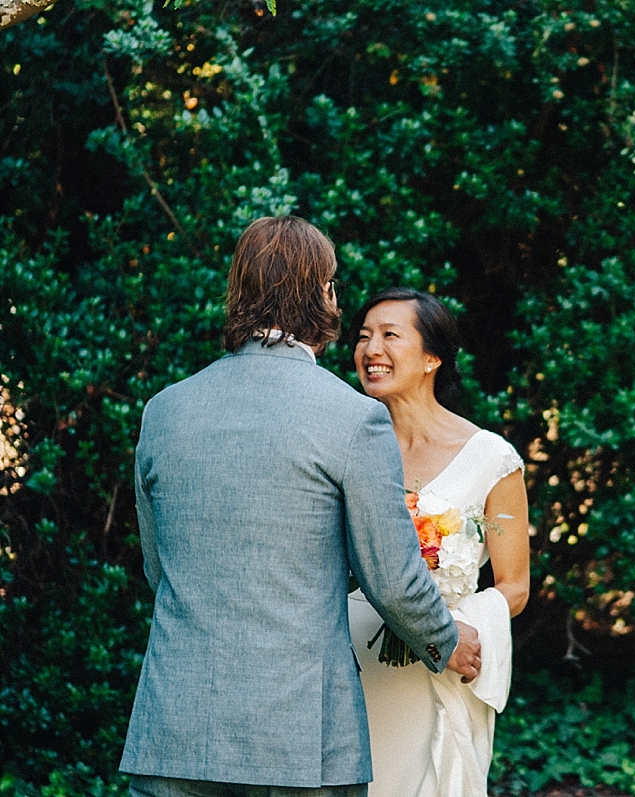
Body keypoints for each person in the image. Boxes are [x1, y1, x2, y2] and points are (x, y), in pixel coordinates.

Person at [119, 217, 482, 797]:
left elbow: (160, 571)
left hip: (176, 731)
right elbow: (390, 577)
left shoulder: (163, 411)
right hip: (298, 740)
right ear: (322, 295)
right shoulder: (350, 417)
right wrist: (445, 639)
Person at [346, 287, 530, 797]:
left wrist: (448, 631)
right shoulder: (346, 449)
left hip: (438, 663)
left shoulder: (491, 457)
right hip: (353, 666)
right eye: (363, 337)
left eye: (389, 335)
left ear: (432, 357)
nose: (370, 349)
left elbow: (514, 587)